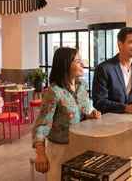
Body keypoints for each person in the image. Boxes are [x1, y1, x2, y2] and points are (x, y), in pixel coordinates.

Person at [32, 47, 101, 181]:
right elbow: (42, 125)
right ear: (65, 65)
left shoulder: (82, 86)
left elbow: (85, 110)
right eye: (78, 61)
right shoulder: (54, 92)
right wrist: (40, 154)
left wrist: (91, 114)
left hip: (81, 146)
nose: (83, 64)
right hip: (60, 150)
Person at [92, 27, 132, 114]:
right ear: (120, 44)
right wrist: (126, 108)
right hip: (110, 123)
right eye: (131, 42)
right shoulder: (103, 68)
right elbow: (99, 102)